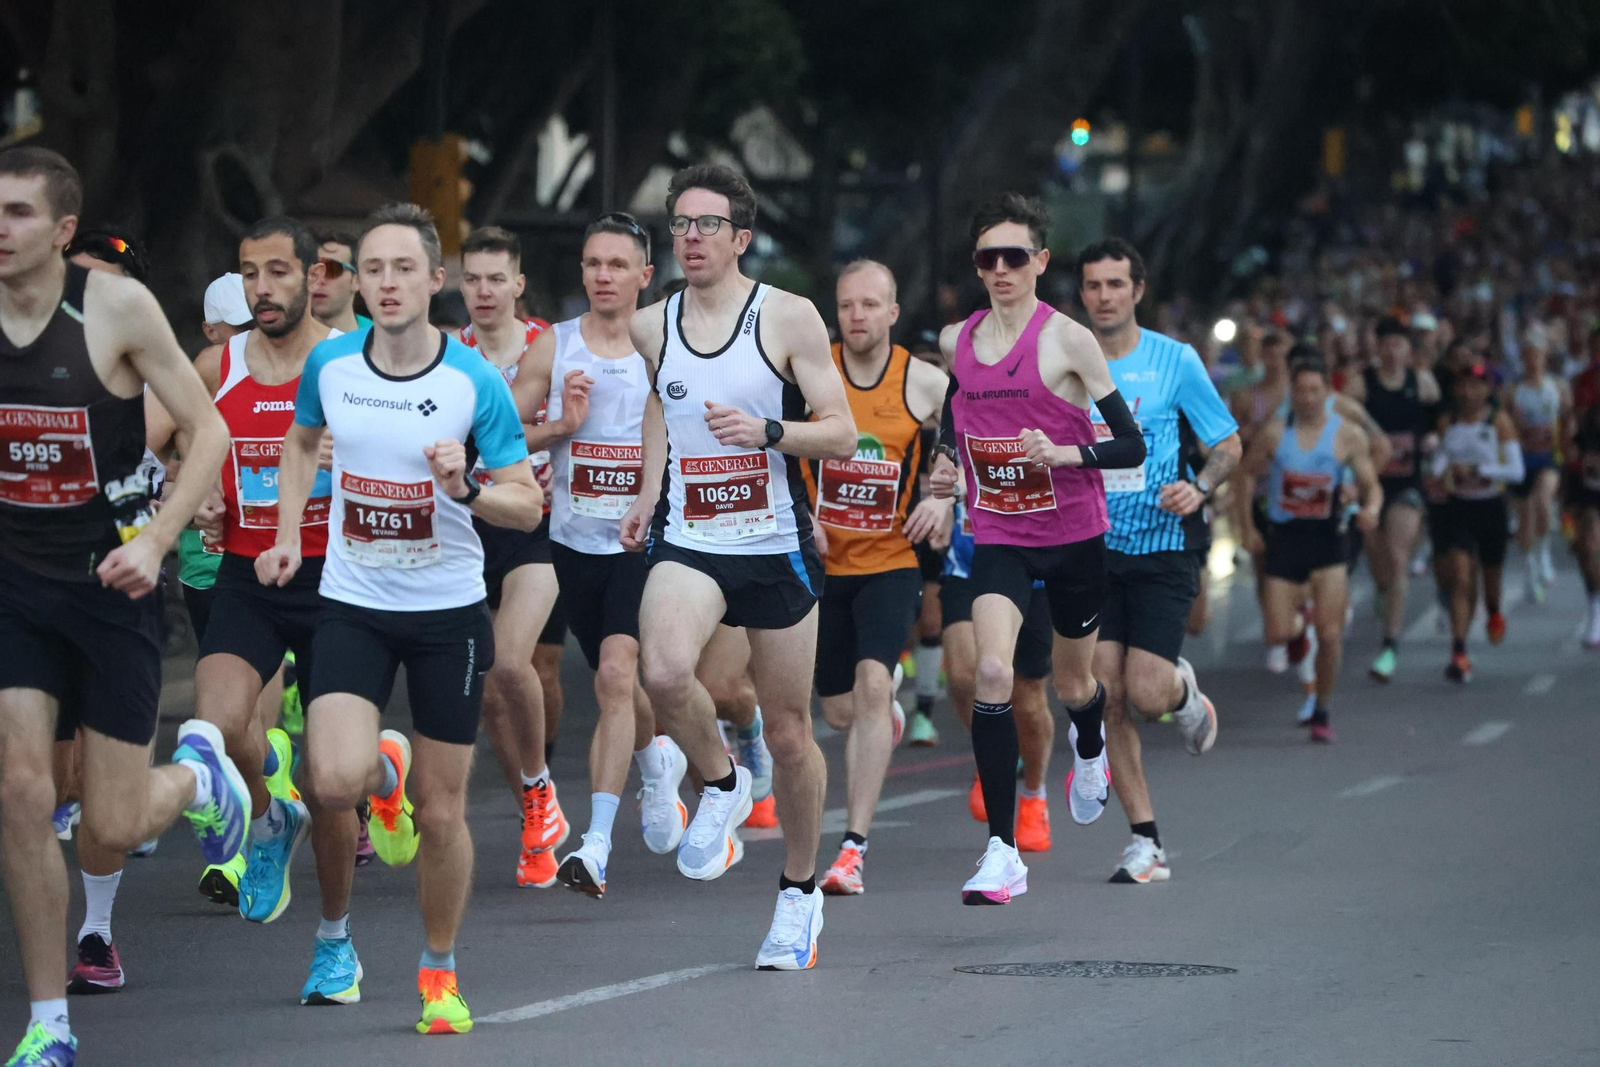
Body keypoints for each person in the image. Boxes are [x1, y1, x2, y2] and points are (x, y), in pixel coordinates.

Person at [257, 202, 542, 1035]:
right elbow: (302, 442)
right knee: (330, 780)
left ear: (433, 279)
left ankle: (439, 971)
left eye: (403, 269)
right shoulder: (332, 364)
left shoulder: (472, 383)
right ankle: (385, 775)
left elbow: (525, 506)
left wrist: (466, 489)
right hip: (351, 600)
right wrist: (284, 537)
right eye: (372, 269)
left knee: (445, 812)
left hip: (448, 612)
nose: (386, 283)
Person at [0, 146, 240, 1066]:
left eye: (20, 213)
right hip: (17, 584)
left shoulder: (116, 309)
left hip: (111, 583)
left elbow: (208, 426)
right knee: (22, 791)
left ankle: (195, 780)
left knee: (110, 824)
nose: (3, 229)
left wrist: (155, 538)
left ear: (63, 231)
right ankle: (48, 1021)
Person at [620, 164, 856, 969]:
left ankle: (798, 893)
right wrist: (650, 490)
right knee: (661, 671)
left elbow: (842, 432)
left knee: (790, 734)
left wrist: (767, 434)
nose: (690, 236)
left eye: (707, 224)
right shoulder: (652, 327)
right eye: (680, 223)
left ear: (741, 238)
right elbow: (662, 401)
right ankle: (720, 782)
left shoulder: (787, 317)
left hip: (774, 541)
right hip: (692, 536)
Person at [175, 218, 373, 1008]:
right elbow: (172, 444)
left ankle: (335, 944)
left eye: (279, 271)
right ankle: (265, 816)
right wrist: (197, 502)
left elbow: (411, 460)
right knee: (214, 728)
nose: (263, 287)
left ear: (313, 277)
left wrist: (348, 459)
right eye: (250, 273)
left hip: (340, 583)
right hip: (247, 575)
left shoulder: (354, 364)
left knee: (333, 784)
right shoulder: (215, 364)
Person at [929, 192, 1145, 905]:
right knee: (992, 670)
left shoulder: (1069, 341)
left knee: (1073, 683)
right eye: (987, 258)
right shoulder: (958, 338)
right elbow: (950, 418)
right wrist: (944, 471)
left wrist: (1063, 451)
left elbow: (1129, 442)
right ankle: (1001, 851)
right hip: (999, 534)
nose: (1000, 270)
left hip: (1074, 537)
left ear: (1040, 262)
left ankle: (1090, 746)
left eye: (1014, 257)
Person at [511, 211, 689, 897]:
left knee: (616, 674)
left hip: (643, 541)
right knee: (622, 688)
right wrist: (562, 425)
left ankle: (594, 843)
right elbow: (501, 437)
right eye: (593, 264)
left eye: (617, 265)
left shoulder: (667, 350)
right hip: (570, 543)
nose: (603, 276)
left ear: (646, 275)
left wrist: (654, 493)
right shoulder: (553, 349)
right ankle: (653, 760)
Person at [1077, 238, 1238, 883]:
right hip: (1091, 549)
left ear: (1137, 291)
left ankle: (1183, 691)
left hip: (1164, 546)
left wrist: (1200, 487)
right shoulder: (1068, 364)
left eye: (1116, 284)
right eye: (1093, 286)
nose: (1104, 296)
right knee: (1107, 694)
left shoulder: (1175, 361)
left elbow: (1227, 444)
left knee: (1147, 692)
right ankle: (1146, 840)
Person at [800, 260, 951, 895]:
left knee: (870, 683)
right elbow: (768, 443)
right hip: (821, 561)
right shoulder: (810, 372)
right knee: (837, 710)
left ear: (892, 313)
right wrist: (802, 511)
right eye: (846, 306)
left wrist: (945, 497)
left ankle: (852, 849)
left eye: (870, 305)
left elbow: (972, 440)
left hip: (892, 560)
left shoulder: (925, 383)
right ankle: (878, 716)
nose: (856, 316)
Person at [455, 226, 568, 888]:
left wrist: (553, 432)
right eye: (473, 278)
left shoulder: (548, 346)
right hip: (467, 528)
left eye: (497, 278)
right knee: (491, 695)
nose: (484, 290)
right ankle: (536, 802)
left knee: (515, 661)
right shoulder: (446, 352)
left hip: (538, 523)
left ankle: (540, 781)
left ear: (519, 285)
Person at [1240, 357, 1381, 741]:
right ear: (1292, 393)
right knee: (1276, 632)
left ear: (1327, 392)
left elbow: (1371, 483)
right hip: (1285, 539)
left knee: (1331, 634)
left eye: (1315, 390)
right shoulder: (1273, 432)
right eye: (1300, 390)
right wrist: (1247, 526)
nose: (1307, 398)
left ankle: (1321, 708)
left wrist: (1370, 508)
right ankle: (1298, 630)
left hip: (1327, 538)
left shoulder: (1346, 434)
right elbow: (1245, 474)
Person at [940, 498, 1057, 851]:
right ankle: (994, 753)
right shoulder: (956, 438)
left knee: (1028, 700)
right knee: (963, 677)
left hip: (1035, 570)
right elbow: (936, 469)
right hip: (967, 563)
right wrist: (941, 500)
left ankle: (1034, 796)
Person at [1343, 317, 1439, 682]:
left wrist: (1432, 439)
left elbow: (1437, 418)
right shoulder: (1362, 383)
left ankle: (1390, 645)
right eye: (1386, 342)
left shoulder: (1422, 382)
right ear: (1377, 346)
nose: (1392, 349)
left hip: (1407, 486)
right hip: (1370, 485)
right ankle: (1385, 592)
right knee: (1380, 566)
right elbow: (1344, 421)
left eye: (1399, 343)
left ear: (1408, 349)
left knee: (1399, 559)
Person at [1434, 362, 1522, 681]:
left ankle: (1494, 611)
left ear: (1488, 390)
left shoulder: (1499, 422)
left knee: (1490, 583)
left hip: (1491, 509)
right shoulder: (1449, 422)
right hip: (1460, 509)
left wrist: (1480, 472)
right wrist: (1444, 468)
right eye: (1464, 385)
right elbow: (1439, 461)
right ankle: (1458, 651)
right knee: (1460, 576)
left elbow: (1516, 471)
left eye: (1477, 385)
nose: (1469, 392)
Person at [1504, 333, 1568, 601]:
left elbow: (1568, 420)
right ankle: (1530, 563)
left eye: (1537, 354)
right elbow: (1503, 424)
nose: (1533, 360)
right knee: (1526, 517)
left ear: (1545, 356)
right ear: (1522, 357)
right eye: (1528, 354)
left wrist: (1565, 448)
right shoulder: (1512, 390)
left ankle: (1543, 554)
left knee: (1544, 501)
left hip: (1548, 457)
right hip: (1522, 459)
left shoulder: (1558, 386)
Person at [309, 229, 370, 333]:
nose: (320, 280)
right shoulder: (287, 337)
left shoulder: (377, 335)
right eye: (313, 271)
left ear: (357, 280)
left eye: (332, 269)